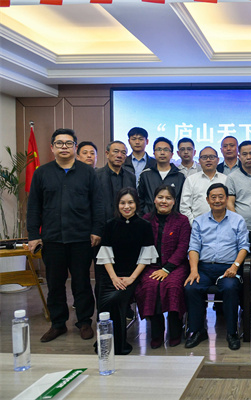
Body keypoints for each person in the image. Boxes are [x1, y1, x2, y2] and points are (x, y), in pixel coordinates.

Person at [27, 128, 104, 343]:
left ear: (75, 148)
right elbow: (34, 207)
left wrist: (97, 230)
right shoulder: (42, 173)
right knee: (55, 284)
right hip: (52, 239)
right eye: (59, 143)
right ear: (52, 148)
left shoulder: (88, 172)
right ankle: (58, 324)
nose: (64, 147)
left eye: (68, 143)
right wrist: (33, 235)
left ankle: (85, 322)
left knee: (82, 282)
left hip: (81, 238)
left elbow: (97, 204)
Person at [183, 183, 250, 350]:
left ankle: (232, 332)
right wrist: (194, 270)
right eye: (213, 197)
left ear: (227, 199)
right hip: (204, 268)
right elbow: (193, 248)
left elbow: (244, 246)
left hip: (228, 268)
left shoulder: (238, 220)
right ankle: (198, 331)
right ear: (207, 200)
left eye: (221, 197)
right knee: (192, 287)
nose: (217, 200)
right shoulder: (199, 221)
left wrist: (235, 266)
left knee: (230, 288)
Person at [96, 187, 157, 354]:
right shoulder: (110, 225)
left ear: (136, 204)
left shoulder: (144, 225)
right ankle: (104, 342)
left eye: (130, 202)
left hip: (133, 275)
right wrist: (114, 278)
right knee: (104, 302)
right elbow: (105, 255)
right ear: (117, 205)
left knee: (115, 299)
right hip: (110, 274)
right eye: (122, 203)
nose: (126, 206)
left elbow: (146, 257)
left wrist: (131, 278)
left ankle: (118, 344)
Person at [134, 185, 191, 348]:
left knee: (173, 286)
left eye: (168, 198)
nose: (163, 201)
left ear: (174, 201)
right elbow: (142, 246)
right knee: (150, 286)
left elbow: (183, 247)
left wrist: (167, 269)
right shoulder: (146, 219)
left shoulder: (182, 220)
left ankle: (175, 331)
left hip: (176, 266)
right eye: (160, 197)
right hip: (151, 265)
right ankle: (156, 333)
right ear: (154, 200)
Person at [138, 137, 186, 215]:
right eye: (159, 149)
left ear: (172, 154)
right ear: (154, 153)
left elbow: (183, 201)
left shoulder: (180, 175)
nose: (162, 153)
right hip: (149, 219)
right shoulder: (145, 174)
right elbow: (140, 200)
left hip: (173, 219)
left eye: (166, 150)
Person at [180, 146, 228, 225]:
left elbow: (229, 204)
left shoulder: (226, 179)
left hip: (223, 225)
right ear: (199, 161)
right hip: (198, 226)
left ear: (218, 160)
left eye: (212, 157)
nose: (208, 160)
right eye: (204, 157)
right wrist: (195, 224)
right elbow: (184, 207)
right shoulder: (191, 180)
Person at [96, 140, 136, 221]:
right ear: (107, 154)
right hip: (103, 222)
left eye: (123, 153)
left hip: (125, 222)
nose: (119, 155)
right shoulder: (96, 175)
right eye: (116, 151)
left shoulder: (131, 176)